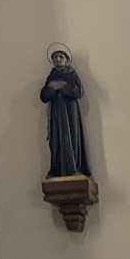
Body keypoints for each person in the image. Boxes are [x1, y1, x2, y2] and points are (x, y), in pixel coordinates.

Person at [40, 48, 90, 177]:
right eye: (55, 57)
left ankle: (73, 166)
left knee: (71, 137)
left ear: (66, 60)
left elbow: (79, 92)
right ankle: (56, 169)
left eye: (61, 57)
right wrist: (52, 88)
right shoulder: (51, 76)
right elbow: (43, 96)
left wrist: (63, 86)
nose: (58, 59)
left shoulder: (71, 74)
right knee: (56, 139)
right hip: (56, 112)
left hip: (70, 111)